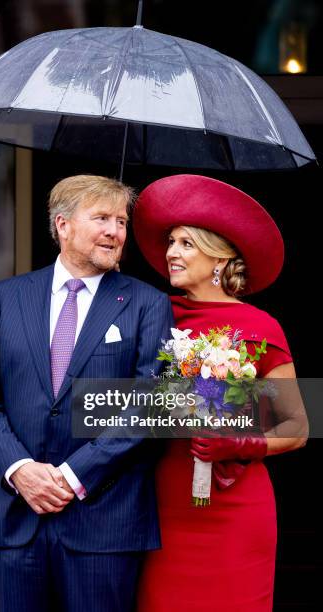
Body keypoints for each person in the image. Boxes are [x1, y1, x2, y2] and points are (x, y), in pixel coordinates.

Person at [0, 174, 173, 612]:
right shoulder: (7, 296)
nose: (115, 231)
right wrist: (20, 469)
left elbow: (151, 402)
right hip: (15, 518)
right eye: (101, 218)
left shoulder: (147, 303)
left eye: (121, 221)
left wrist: (70, 476)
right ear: (62, 225)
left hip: (104, 520)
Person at [133, 174, 308, 612]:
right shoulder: (151, 315)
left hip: (236, 511)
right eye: (170, 242)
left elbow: (298, 426)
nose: (171, 252)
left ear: (220, 256)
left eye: (186, 243)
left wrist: (239, 441)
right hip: (164, 506)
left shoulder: (261, 327)